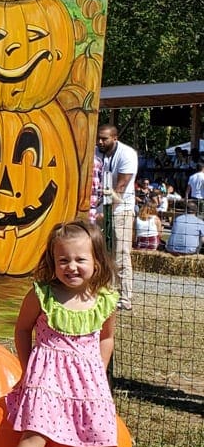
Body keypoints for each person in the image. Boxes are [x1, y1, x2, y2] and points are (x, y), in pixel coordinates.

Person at [0, 221, 123, 447]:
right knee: (34, 434)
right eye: (63, 260)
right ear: (52, 262)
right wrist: (28, 369)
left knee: (102, 442)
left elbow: (106, 338)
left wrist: (99, 370)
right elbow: (22, 329)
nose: (72, 266)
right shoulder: (43, 295)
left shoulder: (104, 300)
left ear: (96, 260)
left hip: (88, 380)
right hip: (47, 375)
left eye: (80, 259)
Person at [95, 125, 137, 311]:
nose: (100, 142)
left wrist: (107, 210)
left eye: (104, 139)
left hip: (121, 209)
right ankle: (104, 290)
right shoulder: (96, 151)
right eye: (98, 138)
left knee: (120, 254)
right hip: (99, 209)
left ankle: (125, 297)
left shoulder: (127, 154)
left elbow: (120, 187)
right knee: (100, 253)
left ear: (115, 138)